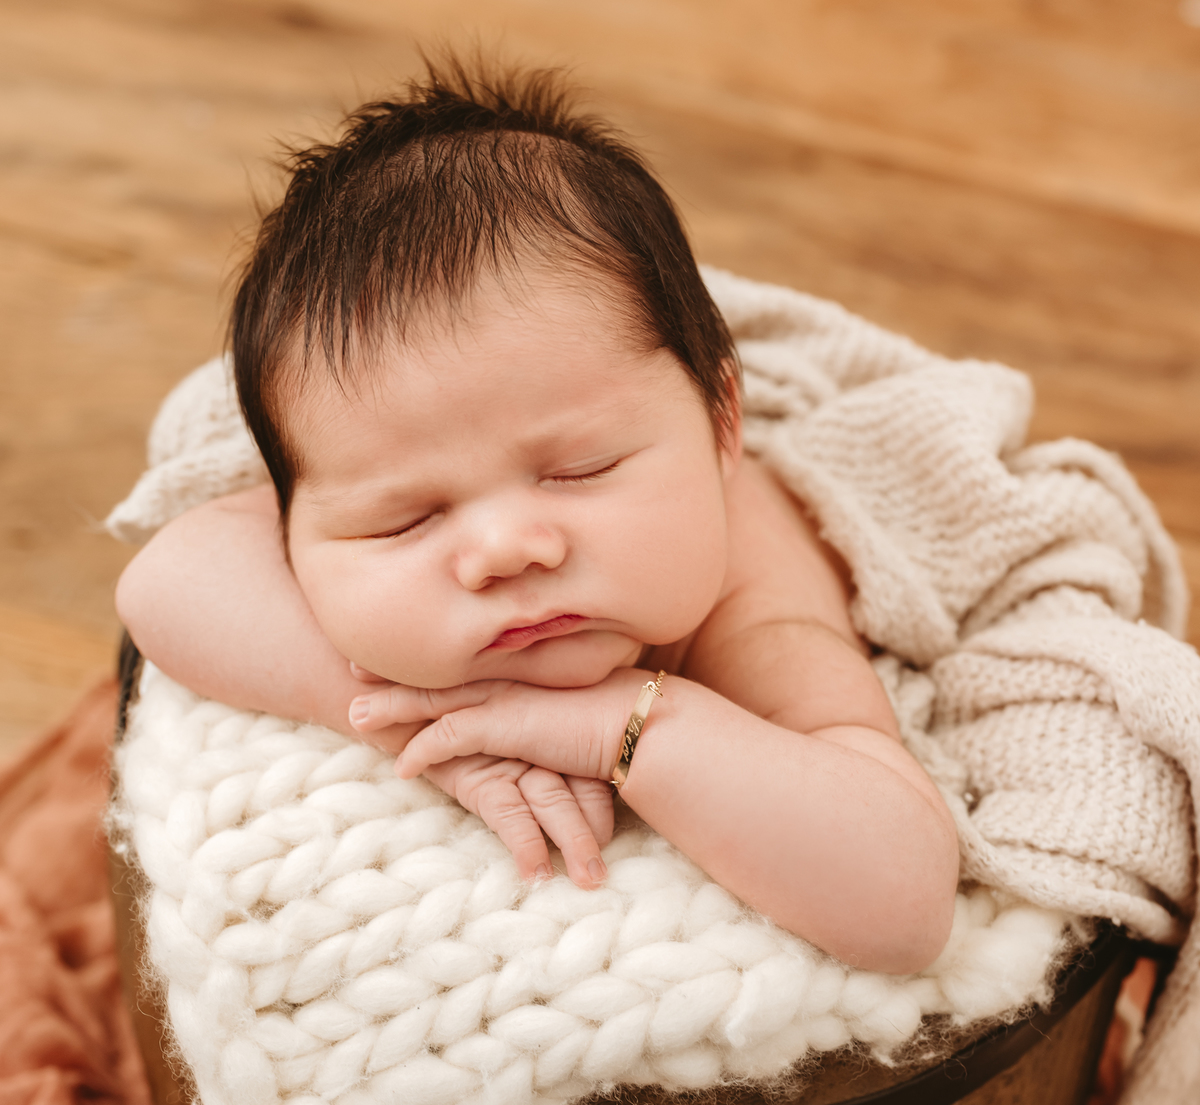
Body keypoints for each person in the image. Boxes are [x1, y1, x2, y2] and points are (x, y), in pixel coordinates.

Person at [115, 60, 958, 975]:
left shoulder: (750, 597)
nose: (504, 551)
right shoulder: (368, 444)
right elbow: (162, 581)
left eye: (578, 470)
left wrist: (632, 726)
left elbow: (903, 903)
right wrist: (433, 724)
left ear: (721, 425)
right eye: (406, 521)